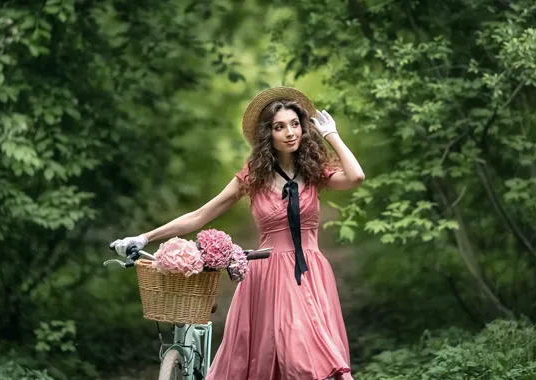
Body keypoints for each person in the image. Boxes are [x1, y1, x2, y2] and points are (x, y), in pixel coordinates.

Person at [110, 87, 365, 379]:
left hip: (311, 273)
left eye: (295, 124)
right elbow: (199, 215)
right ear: (268, 134)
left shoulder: (314, 172)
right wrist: (144, 237)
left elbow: (356, 176)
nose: (290, 132)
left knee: (307, 358)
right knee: (283, 358)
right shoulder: (253, 177)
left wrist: (331, 134)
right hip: (267, 276)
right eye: (279, 127)